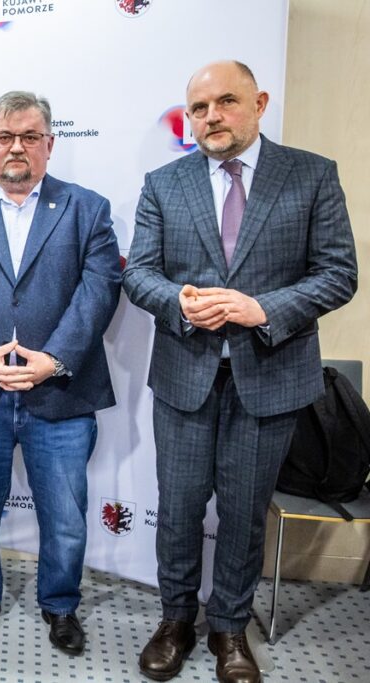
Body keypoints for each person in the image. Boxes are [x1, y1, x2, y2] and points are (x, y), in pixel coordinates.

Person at [123, 61, 358, 683]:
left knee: (246, 511)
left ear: (259, 102)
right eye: (199, 108)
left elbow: (338, 273)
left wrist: (262, 309)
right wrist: (178, 300)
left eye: (225, 102)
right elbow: (139, 273)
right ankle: (176, 620)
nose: (211, 117)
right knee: (176, 509)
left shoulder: (310, 175)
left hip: (271, 376)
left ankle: (230, 627)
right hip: (185, 375)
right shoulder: (164, 183)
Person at [0, 91, 121, 650]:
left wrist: (52, 360)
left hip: (60, 393)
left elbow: (100, 289)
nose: (16, 148)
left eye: (30, 137)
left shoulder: (88, 209)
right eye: (5, 137)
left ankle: (60, 606)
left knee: (65, 517)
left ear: (50, 145)